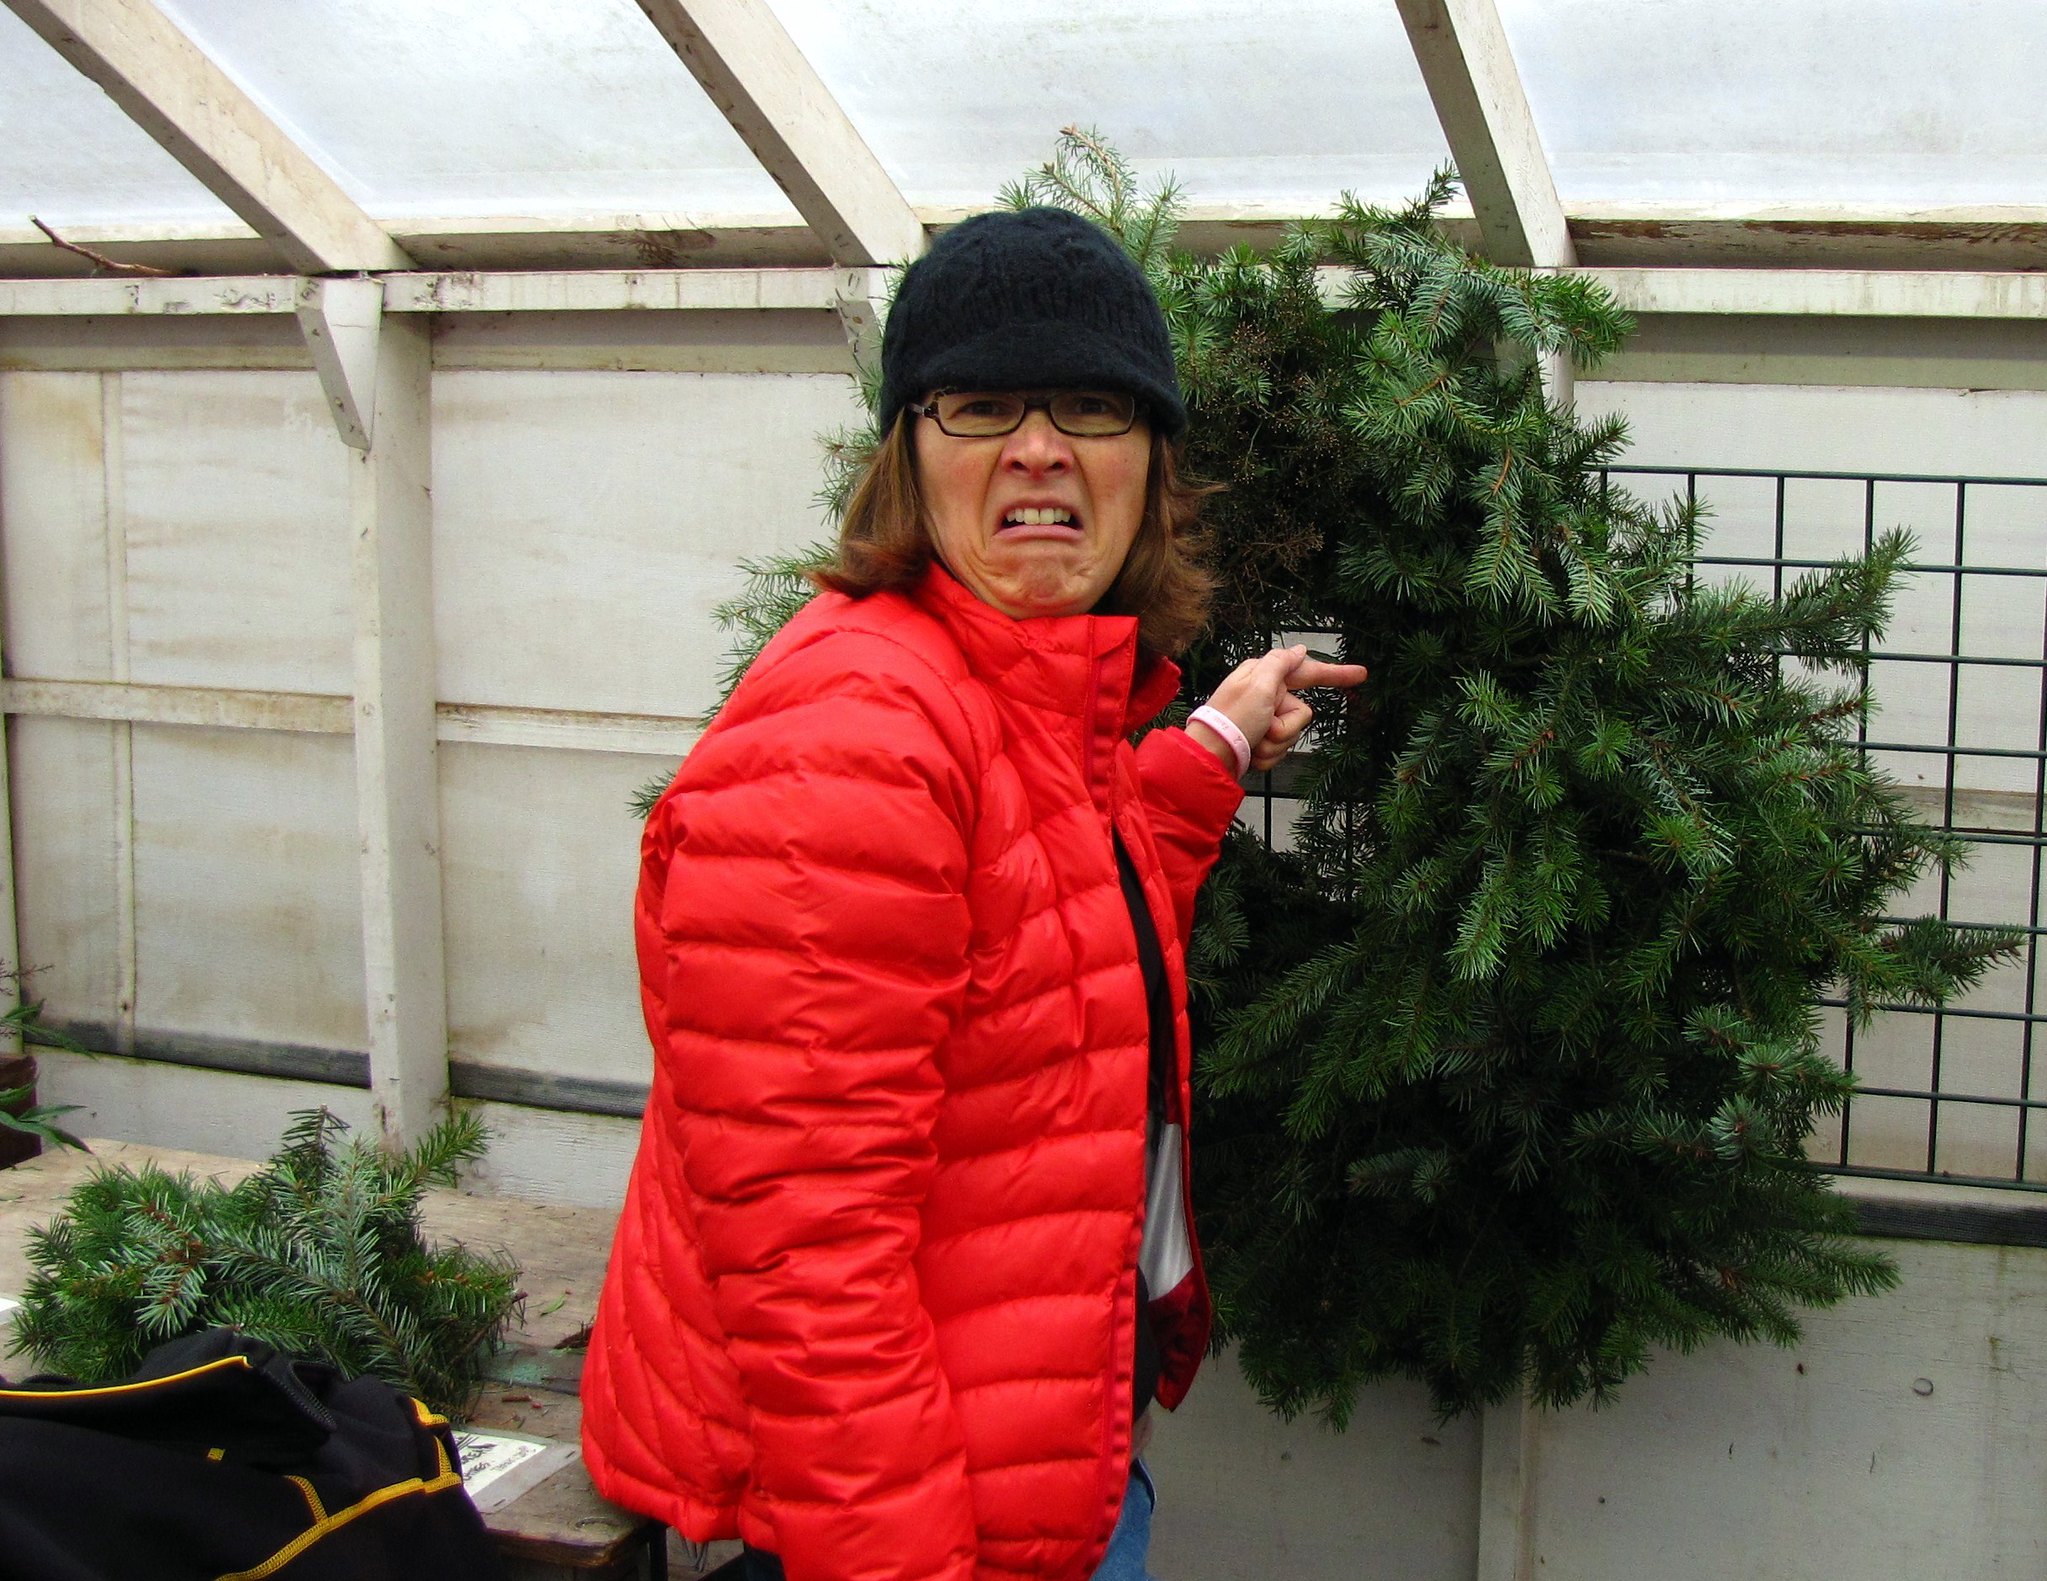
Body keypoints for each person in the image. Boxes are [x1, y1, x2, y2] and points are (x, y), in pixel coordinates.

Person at [582, 206, 1367, 1581]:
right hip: (888, 1530)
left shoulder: (1007, 693)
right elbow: (812, 1268)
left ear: (1150, 459)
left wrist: (1213, 751)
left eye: (1092, 404)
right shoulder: (858, 739)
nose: (1042, 445)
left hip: (1032, 1470)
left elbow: (1054, 925)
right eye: (983, 402)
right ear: (909, 452)